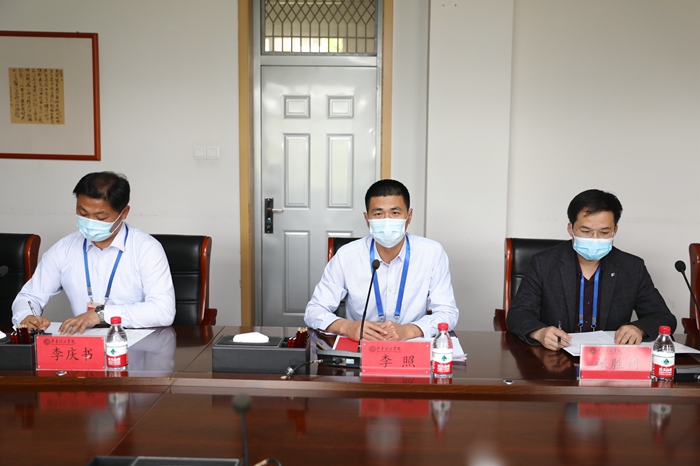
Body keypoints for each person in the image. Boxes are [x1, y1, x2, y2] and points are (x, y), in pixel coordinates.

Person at [506, 189, 676, 350]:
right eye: (586, 231)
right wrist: (540, 332)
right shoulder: (544, 263)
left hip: (609, 359)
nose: (595, 239)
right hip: (556, 356)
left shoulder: (632, 267)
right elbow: (518, 313)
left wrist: (639, 328)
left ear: (615, 230)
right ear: (570, 229)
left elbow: (663, 317)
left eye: (604, 232)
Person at [12, 172, 176, 334]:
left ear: (124, 213)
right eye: (83, 213)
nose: (90, 222)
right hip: (83, 343)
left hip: (136, 342)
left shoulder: (146, 249)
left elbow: (163, 311)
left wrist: (101, 315)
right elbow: (29, 296)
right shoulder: (64, 249)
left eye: (100, 217)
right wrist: (27, 317)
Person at [304, 179, 459, 341]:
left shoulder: (432, 253)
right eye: (378, 214)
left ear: (409, 216)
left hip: (411, 344)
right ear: (367, 219)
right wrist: (347, 327)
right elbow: (314, 311)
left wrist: (408, 330)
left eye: (395, 213)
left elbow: (447, 312)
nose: (387, 221)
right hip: (360, 346)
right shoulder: (346, 256)